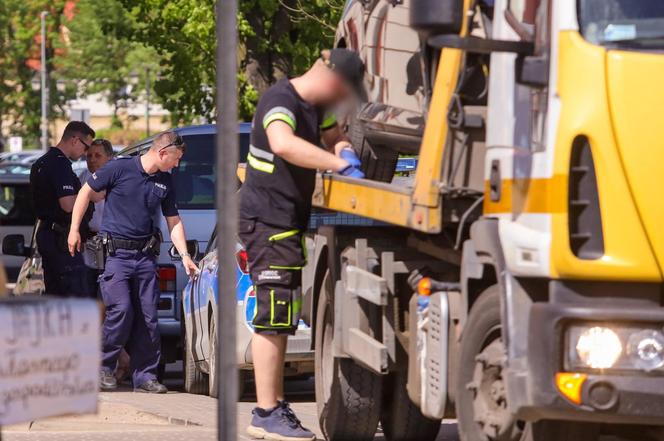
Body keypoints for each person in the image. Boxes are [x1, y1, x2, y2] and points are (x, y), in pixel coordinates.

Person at [240, 48, 366, 441]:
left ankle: (274, 404)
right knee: (273, 317)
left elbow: (334, 135)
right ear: (332, 80)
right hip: (267, 222)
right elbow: (283, 143)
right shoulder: (281, 100)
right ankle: (265, 411)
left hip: (285, 224)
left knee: (282, 316)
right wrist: (336, 165)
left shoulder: (316, 107)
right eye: (344, 92)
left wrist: (344, 149)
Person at [67, 131, 199, 394]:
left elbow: (174, 220)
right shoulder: (120, 168)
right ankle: (103, 367)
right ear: (163, 152)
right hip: (116, 256)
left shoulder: (164, 180)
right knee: (121, 309)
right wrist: (74, 229)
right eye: (176, 158)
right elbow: (84, 193)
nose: (177, 165)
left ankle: (145, 377)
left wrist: (185, 256)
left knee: (149, 317)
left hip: (145, 258)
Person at [30, 121, 95, 297]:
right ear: (75, 140)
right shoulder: (60, 164)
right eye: (86, 147)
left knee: (55, 297)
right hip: (60, 239)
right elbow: (67, 205)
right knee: (75, 298)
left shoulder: (41, 162)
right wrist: (88, 195)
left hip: (48, 234)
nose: (85, 153)